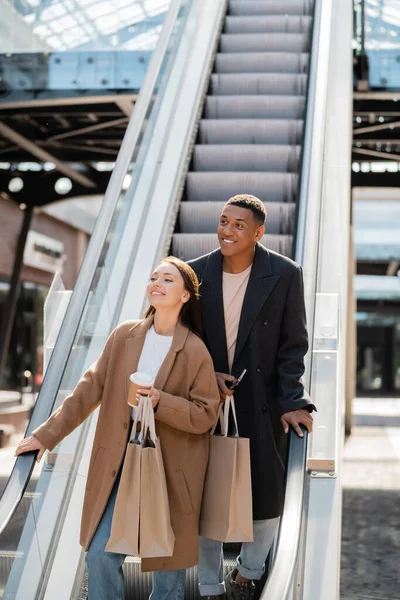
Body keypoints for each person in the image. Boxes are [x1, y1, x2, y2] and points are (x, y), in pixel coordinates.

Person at [15, 256, 220, 600]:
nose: (157, 283)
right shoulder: (124, 335)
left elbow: (204, 416)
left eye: (168, 279)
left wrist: (159, 401)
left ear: (185, 296)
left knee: (168, 570)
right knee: (99, 554)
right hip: (120, 464)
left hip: (172, 469)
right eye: (154, 276)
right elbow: (88, 389)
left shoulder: (195, 350)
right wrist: (45, 435)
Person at [188, 194, 316, 600]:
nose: (227, 230)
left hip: (261, 400)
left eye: (238, 225)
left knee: (266, 494)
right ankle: (209, 585)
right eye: (223, 221)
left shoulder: (284, 273)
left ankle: (248, 572)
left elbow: (293, 345)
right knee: (204, 499)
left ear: (258, 232)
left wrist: (293, 399)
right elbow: (181, 339)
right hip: (204, 400)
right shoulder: (194, 273)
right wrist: (206, 375)